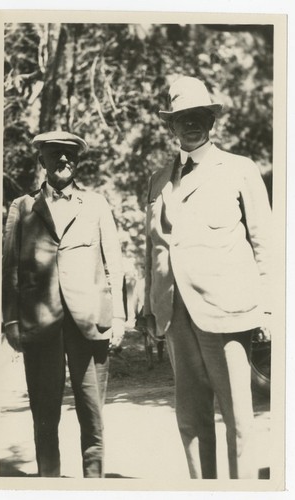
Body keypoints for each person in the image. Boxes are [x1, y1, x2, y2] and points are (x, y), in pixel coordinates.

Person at [144, 76, 272, 479]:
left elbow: (265, 243)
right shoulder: (158, 180)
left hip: (226, 312)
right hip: (175, 314)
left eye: (199, 115)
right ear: (171, 125)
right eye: (182, 117)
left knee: (238, 417)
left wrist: (269, 308)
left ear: (211, 121)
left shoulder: (239, 169)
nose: (191, 123)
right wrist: (151, 310)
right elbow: (154, 250)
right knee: (191, 419)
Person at [2, 130, 126, 478]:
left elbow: (113, 262)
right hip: (40, 323)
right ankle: (49, 485)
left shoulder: (97, 204)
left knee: (93, 416)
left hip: (90, 323)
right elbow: (9, 267)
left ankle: (94, 486)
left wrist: (118, 315)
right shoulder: (22, 208)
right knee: (44, 417)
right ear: (41, 159)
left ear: (78, 161)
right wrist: (11, 321)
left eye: (70, 155)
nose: (63, 160)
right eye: (55, 153)